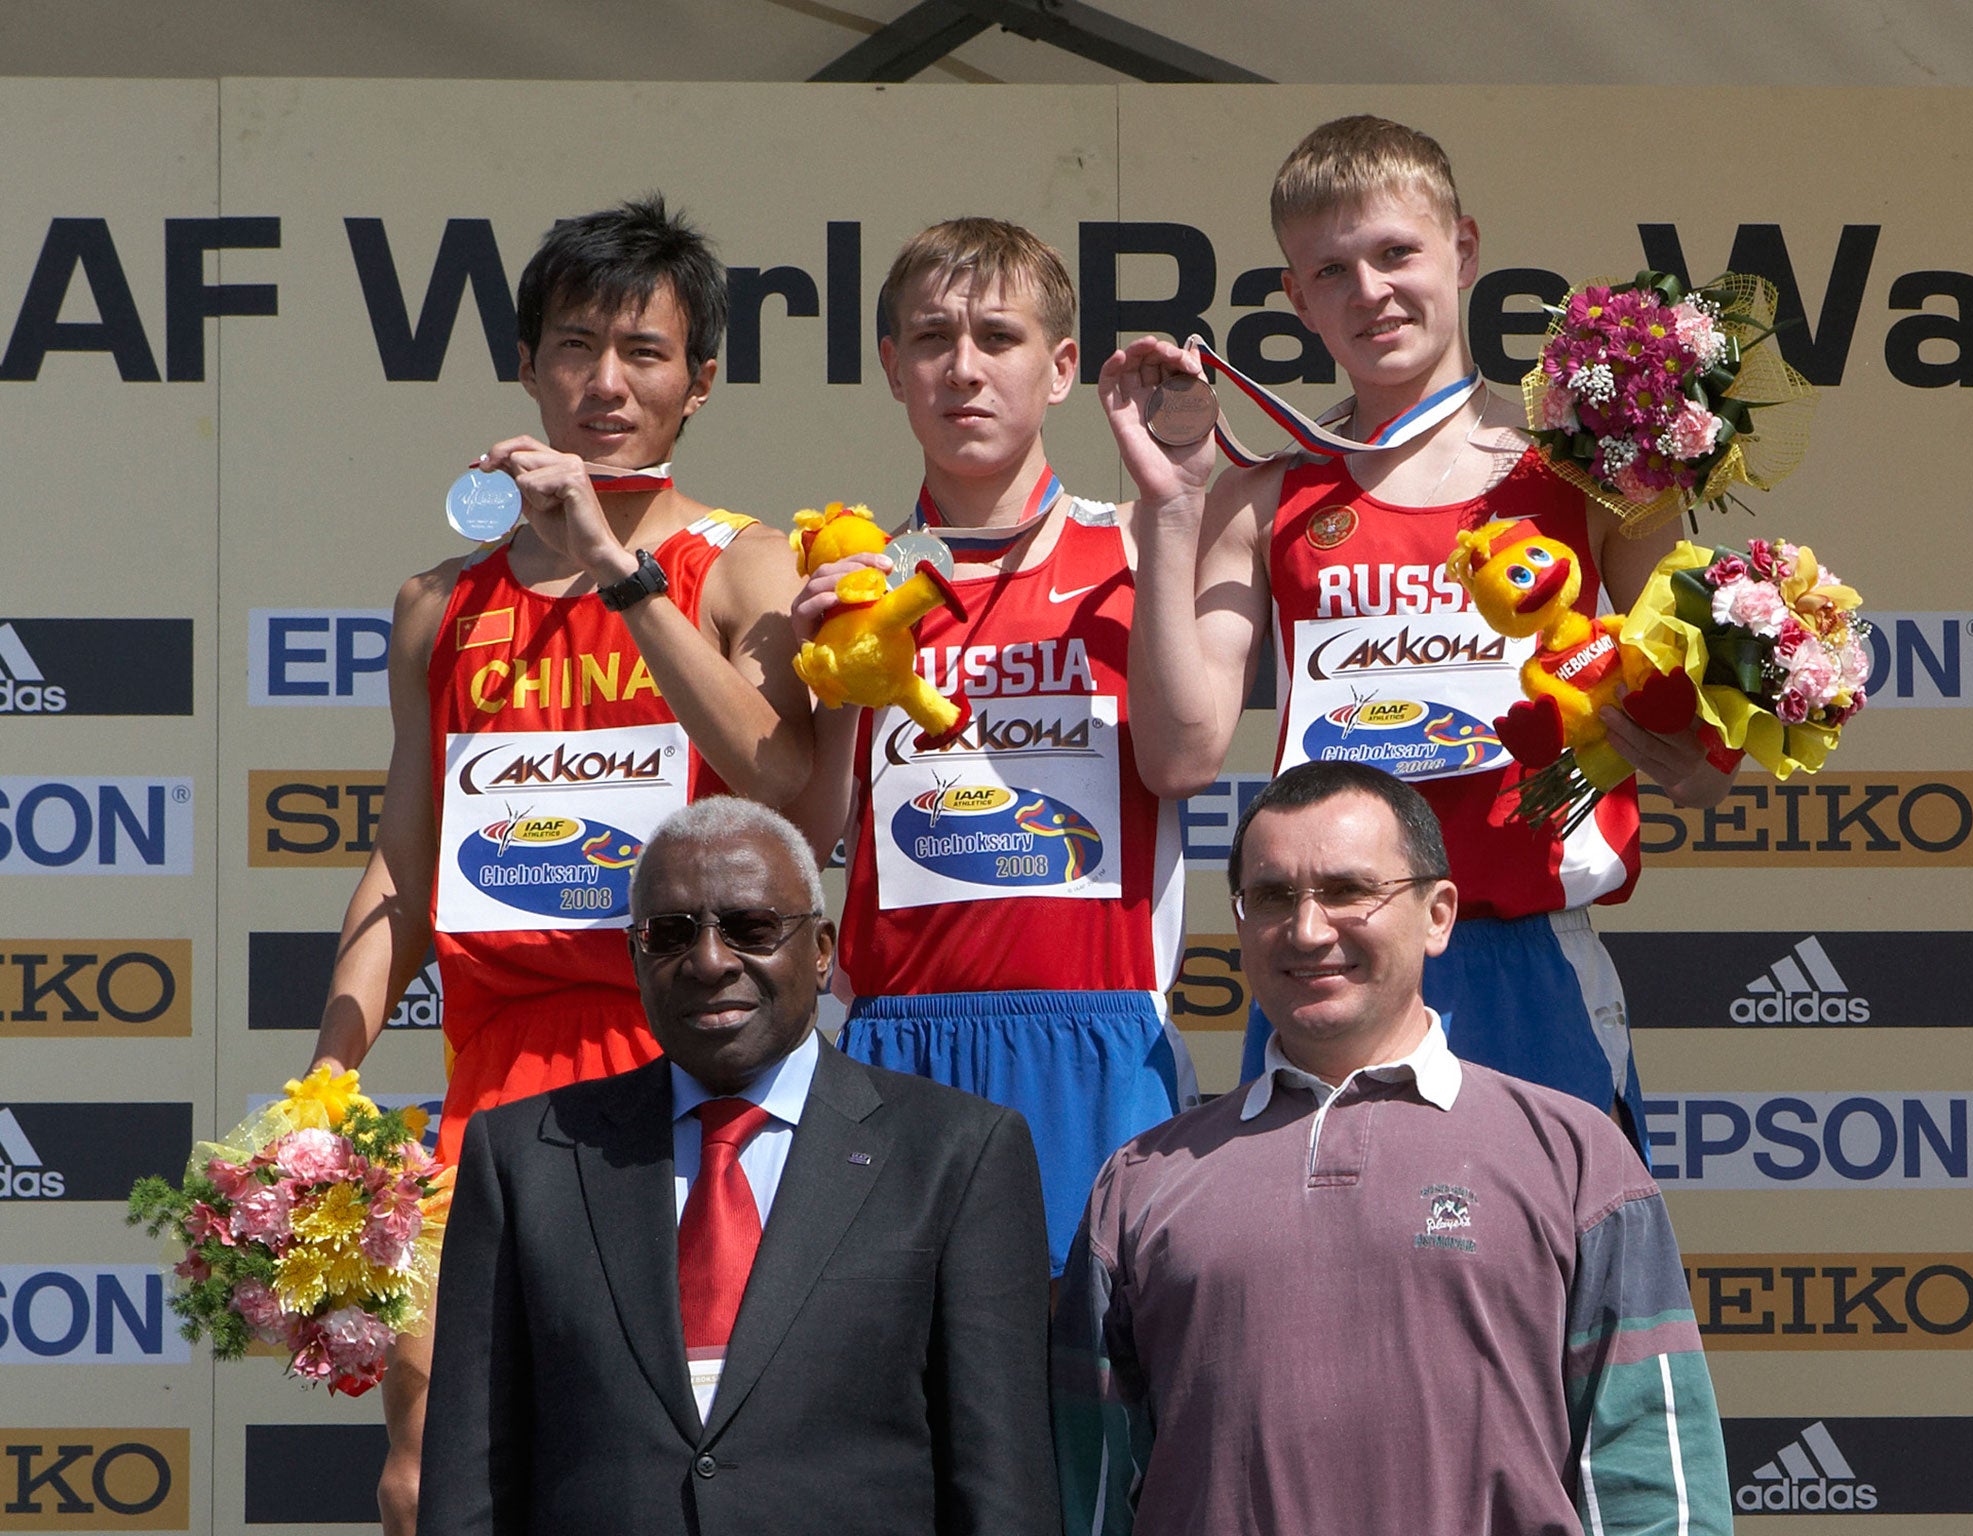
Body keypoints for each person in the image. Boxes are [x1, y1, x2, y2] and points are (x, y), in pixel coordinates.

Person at [306, 196, 812, 1534]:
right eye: (576, 346)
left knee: (681, 1457)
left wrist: (613, 566)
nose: (606, 382)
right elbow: (406, 870)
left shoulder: (744, 565)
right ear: (528, 364)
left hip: (693, 1074)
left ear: (700, 383)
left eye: (644, 352)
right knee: (433, 1459)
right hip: (495, 1072)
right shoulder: (442, 604)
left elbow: (783, 783)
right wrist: (322, 1084)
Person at [1098, 115, 1741, 1143]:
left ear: (1464, 249)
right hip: (1327, 966)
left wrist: (1682, 717)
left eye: (1396, 251)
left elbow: (1702, 773)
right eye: (1332, 270)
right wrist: (1173, 508)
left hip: (1526, 960)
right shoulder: (1265, 497)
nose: (1370, 292)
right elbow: (1178, 756)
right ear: (1293, 299)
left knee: (1553, 1294)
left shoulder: (1582, 471)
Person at [1052, 761, 1730, 1536]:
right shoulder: (1140, 1183)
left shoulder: (1577, 1158)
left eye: (1348, 891)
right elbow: (1091, 1495)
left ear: (1437, 914)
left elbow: (1652, 1486)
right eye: (1273, 897)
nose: (1308, 931)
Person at [418, 797, 1058, 1535]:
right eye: (670, 935)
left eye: (751, 928)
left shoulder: (958, 1153)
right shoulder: (524, 1158)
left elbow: (1003, 1490)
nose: (710, 961)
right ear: (635, 957)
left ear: (821, 951)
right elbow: (468, 1487)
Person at [789, 218, 1196, 1275]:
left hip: (1096, 1040)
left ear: (1060, 367)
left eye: (997, 338)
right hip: (893, 1042)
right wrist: (826, 682)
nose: (961, 369)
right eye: (930, 339)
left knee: (1091, 1419)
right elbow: (806, 836)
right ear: (889, 366)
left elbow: (1182, 762)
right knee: (907, 1421)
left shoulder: (1134, 545)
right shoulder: (856, 584)